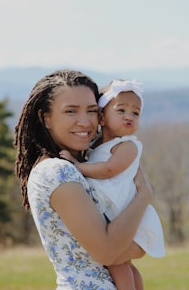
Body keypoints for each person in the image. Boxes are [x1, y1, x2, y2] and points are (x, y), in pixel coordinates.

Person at [14, 69, 153, 290]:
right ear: (45, 118)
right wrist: (144, 194)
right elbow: (108, 252)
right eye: (70, 111)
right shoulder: (57, 171)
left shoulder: (80, 165)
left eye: (92, 111)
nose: (84, 121)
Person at [59, 79, 165, 289]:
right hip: (114, 212)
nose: (129, 116)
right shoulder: (96, 144)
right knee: (124, 263)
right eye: (121, 110)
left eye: (135, 113)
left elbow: (108, 169)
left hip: (126, 214)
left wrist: (77, 166)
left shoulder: (127, 146)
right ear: (102, 118)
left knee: (116, 262)